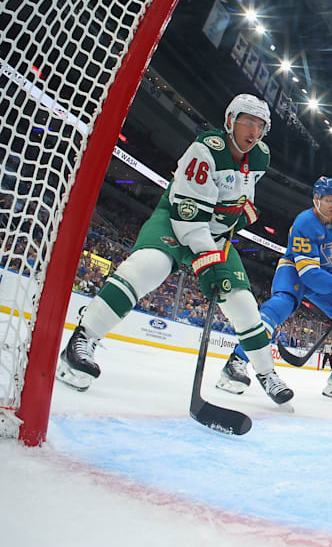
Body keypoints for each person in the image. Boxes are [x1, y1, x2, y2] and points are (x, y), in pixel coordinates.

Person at [56, 94, 293, 404]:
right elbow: (189, 217)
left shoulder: (260, 155)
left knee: (244, 304)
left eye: (260, 125)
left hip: (217, 235)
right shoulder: (206, 149)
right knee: (148, 266)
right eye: (247, 121)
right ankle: (82, 339)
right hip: (176, 221)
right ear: (230, 121)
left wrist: (241, 213)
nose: (253, 131)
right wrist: (207, 265)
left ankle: (261, 372)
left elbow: (241, 191)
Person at [215, 176, 332, 402]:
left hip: (324, 276)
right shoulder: (304, 223)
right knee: (281, 305)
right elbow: (310, 275)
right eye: (328, 199)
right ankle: (236, 362)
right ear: (316, 199)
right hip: (295, 271)